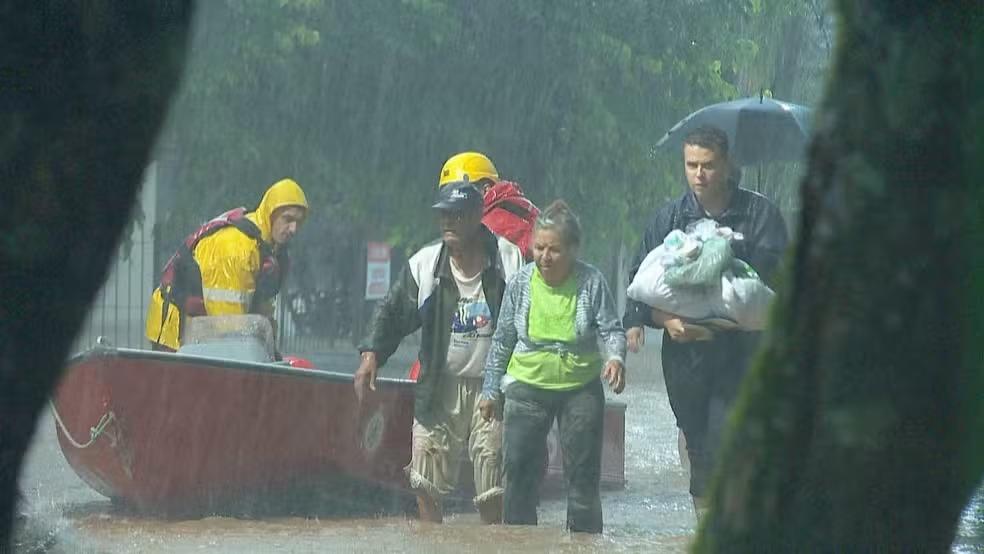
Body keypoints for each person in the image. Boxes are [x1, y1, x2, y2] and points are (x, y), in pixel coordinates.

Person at [622, 125, 788, 518]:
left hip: (742, 353)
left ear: (728, 165)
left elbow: (780, 281)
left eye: (709, 165)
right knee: (698, 447)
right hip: (685, 356)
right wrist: (664, 321)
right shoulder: (669, 219)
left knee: (727, 441)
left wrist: (733, 256)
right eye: (691, 165)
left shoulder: (761, 215)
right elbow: (638, 287)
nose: (699, 174)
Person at [354, 182, 524, 524]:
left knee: (492, 478)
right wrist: (371, 352)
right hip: (438, 384)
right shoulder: (425, 264)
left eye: (458, 215)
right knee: (425, 478)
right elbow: (393, 311)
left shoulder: (507, 259)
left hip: (492, 388)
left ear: (479, 218)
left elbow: (525, 321)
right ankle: (432, 540)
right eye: (444, 215)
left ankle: (494, 542)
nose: (449, 222)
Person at [480, 200, 626, 533]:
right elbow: (502, 340)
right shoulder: (520, 282)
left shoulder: (591, 281)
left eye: (555, 250)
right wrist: (490, 390)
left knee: (584, 481)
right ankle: (520, 543)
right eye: (539, 248)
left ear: (574, 250)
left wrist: (616, 358)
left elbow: (612, 330)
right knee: (517, 475)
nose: (545, 257)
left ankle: (584, 542)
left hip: (580, 390)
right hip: (526, 389)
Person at [145, 178, 308, 351]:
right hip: (174, 330)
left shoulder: (266, 248)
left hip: (201, 325)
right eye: (287, 219)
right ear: (271, 212)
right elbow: (228, 331)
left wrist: (271, 351)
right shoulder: (237, 248)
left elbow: (260, 311)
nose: (293, 229)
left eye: (299, 222)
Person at [438, 152, 539, 261]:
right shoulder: (518, 206)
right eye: (449, 194)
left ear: (486, 189)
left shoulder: (491, 226)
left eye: (461, 192)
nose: (454, 201)